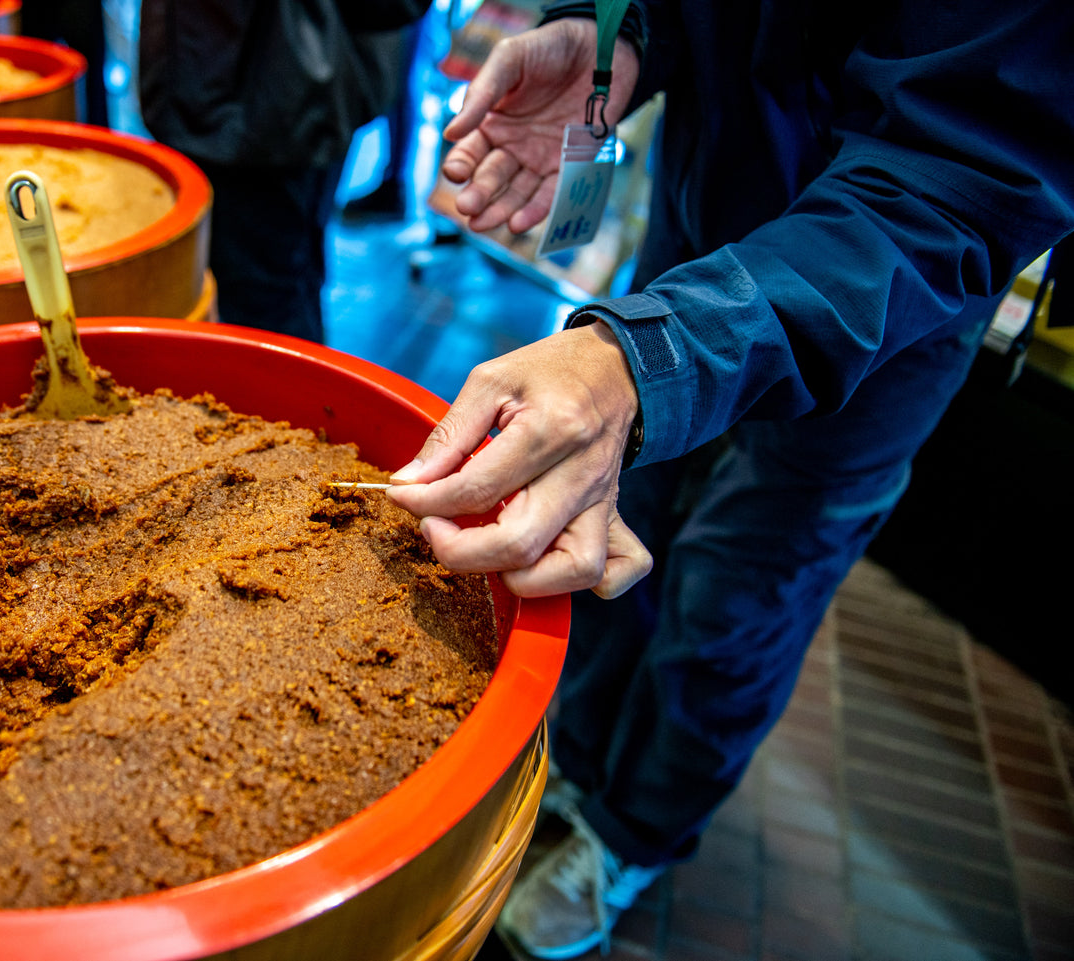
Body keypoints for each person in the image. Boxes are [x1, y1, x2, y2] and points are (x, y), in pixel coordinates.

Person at [383, 1, 1074, 957]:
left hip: (886, 302)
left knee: (741, 592)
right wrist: (615, 36)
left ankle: (632, 836)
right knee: (622, 529)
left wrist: (647, 359)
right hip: (698, 219)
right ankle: (573, 763)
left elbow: (971, 164)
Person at [137, 0, 431, 343]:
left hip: (273, 104)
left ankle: (290, 391)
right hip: (236, 90)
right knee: (275, 282)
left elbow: (394, 9)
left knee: (267, 300)